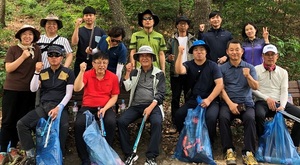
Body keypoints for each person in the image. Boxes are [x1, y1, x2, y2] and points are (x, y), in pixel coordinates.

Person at [16, 45, 75, 164]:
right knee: (22, 124)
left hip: (60, 107)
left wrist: (59, 107)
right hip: (44, 107)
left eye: (57, 55)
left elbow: (68, 94)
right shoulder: (43, 73)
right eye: (51, 55)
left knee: (62, 126)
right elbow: (33, 89)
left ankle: (59, 155)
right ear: (47, 58)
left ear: (62, 57)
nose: (54, 58)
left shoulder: (68, 72)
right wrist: (36, 72)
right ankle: (31, 155)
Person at [0, 25, 41, 164]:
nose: (27, 37)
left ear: (33, 37)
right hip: (12, 89)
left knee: (21, 121)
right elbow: (9, 68)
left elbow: (39, 66)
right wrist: (23, 57)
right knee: (7, 120)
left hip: (28, 91)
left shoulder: (37, 50)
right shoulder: (13, 49)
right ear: (20, 36)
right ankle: (2, 151)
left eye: (30, 34)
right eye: (24, 34)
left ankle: (13, 148)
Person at [118, 46, 165, 165]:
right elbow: (126, 86)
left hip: (153, 106)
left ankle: (151, 156)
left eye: (147, 55)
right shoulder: (135, 72)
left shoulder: (158, 73)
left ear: (152, 58)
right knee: (121, 121)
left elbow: (160, 94)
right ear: (138, 59)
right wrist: (128, 72)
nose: (144, 58)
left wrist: (150, 108)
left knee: (157, 122)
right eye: (142, 56)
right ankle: (129, 154)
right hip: (136, 105)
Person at [73, 52, 119, 165]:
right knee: (79, 124)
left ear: (107, 64)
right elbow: (77, 88)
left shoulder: (113, 77)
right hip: (87, 107)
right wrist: (81, 71)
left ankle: (105, 152)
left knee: (110, 122)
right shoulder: (87, 74)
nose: (101, 65)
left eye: (104, 62)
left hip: (105, 107)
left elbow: (114, 97)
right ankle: (84, 157)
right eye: (98, 62)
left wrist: (105, 108)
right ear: (93, 63)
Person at [174, 40, 223, 145]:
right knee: (179, 115)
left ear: (206, 52)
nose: (199, 52)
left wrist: (209, 100)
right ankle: (186, 138)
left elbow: (220, 84)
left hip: (211, 100)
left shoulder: (213, 66)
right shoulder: (188, 64)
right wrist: (180, 54)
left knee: (211, 117)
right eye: (196, 50)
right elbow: (179, 70)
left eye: (202, 50)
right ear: (192, 53)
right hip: (194, 99)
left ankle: (209, 142)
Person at [253, 44, 300, 152]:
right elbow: (253, 89)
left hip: (279, 102)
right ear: (262, 56)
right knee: (258, 115)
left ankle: (293, 145)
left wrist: (282, 106)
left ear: (277, 56)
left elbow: (284, 90)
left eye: (272, 55)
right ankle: (262, 143)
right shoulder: (256, 70)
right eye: (267, 55)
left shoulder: (283, 72)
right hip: (262, 102)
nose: (270, 57)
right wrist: (267, 98)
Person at [219, 40, 259, 165]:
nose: (234, 52)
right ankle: (229, 149)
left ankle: (248, 152)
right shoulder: (222, 68)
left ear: (242, 51)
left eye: (237, 49)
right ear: (227, 52)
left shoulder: (250, 67)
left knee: (250, 118)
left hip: (246, 103)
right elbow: (221, 88)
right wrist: (230, 104)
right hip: (228, 102)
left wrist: (248, 76)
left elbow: (256, 87)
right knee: (223, 117)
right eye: (231, 50)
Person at [165, 16, 196, 132]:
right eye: (180, 24)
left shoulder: (192, 39)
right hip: (175, 73)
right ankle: (175, 122)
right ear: (177, 26)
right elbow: (166, 53)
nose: (183, 26)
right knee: (175, 98)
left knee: (189, 97)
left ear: (188, 26)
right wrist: (169, 57)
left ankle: (188, 121)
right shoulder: (172, 40)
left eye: (185, 24)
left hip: (189, 72)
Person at [72, 6, 106, 77]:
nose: (88, 17)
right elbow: (74, 42)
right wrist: (77, 27)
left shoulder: (100, 32)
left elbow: (104, 48)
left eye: (90, 15)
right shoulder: (80, 30)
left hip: (96, 64)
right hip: (81, 63)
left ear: (94, 17)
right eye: (86, 15)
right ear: (83, 17)